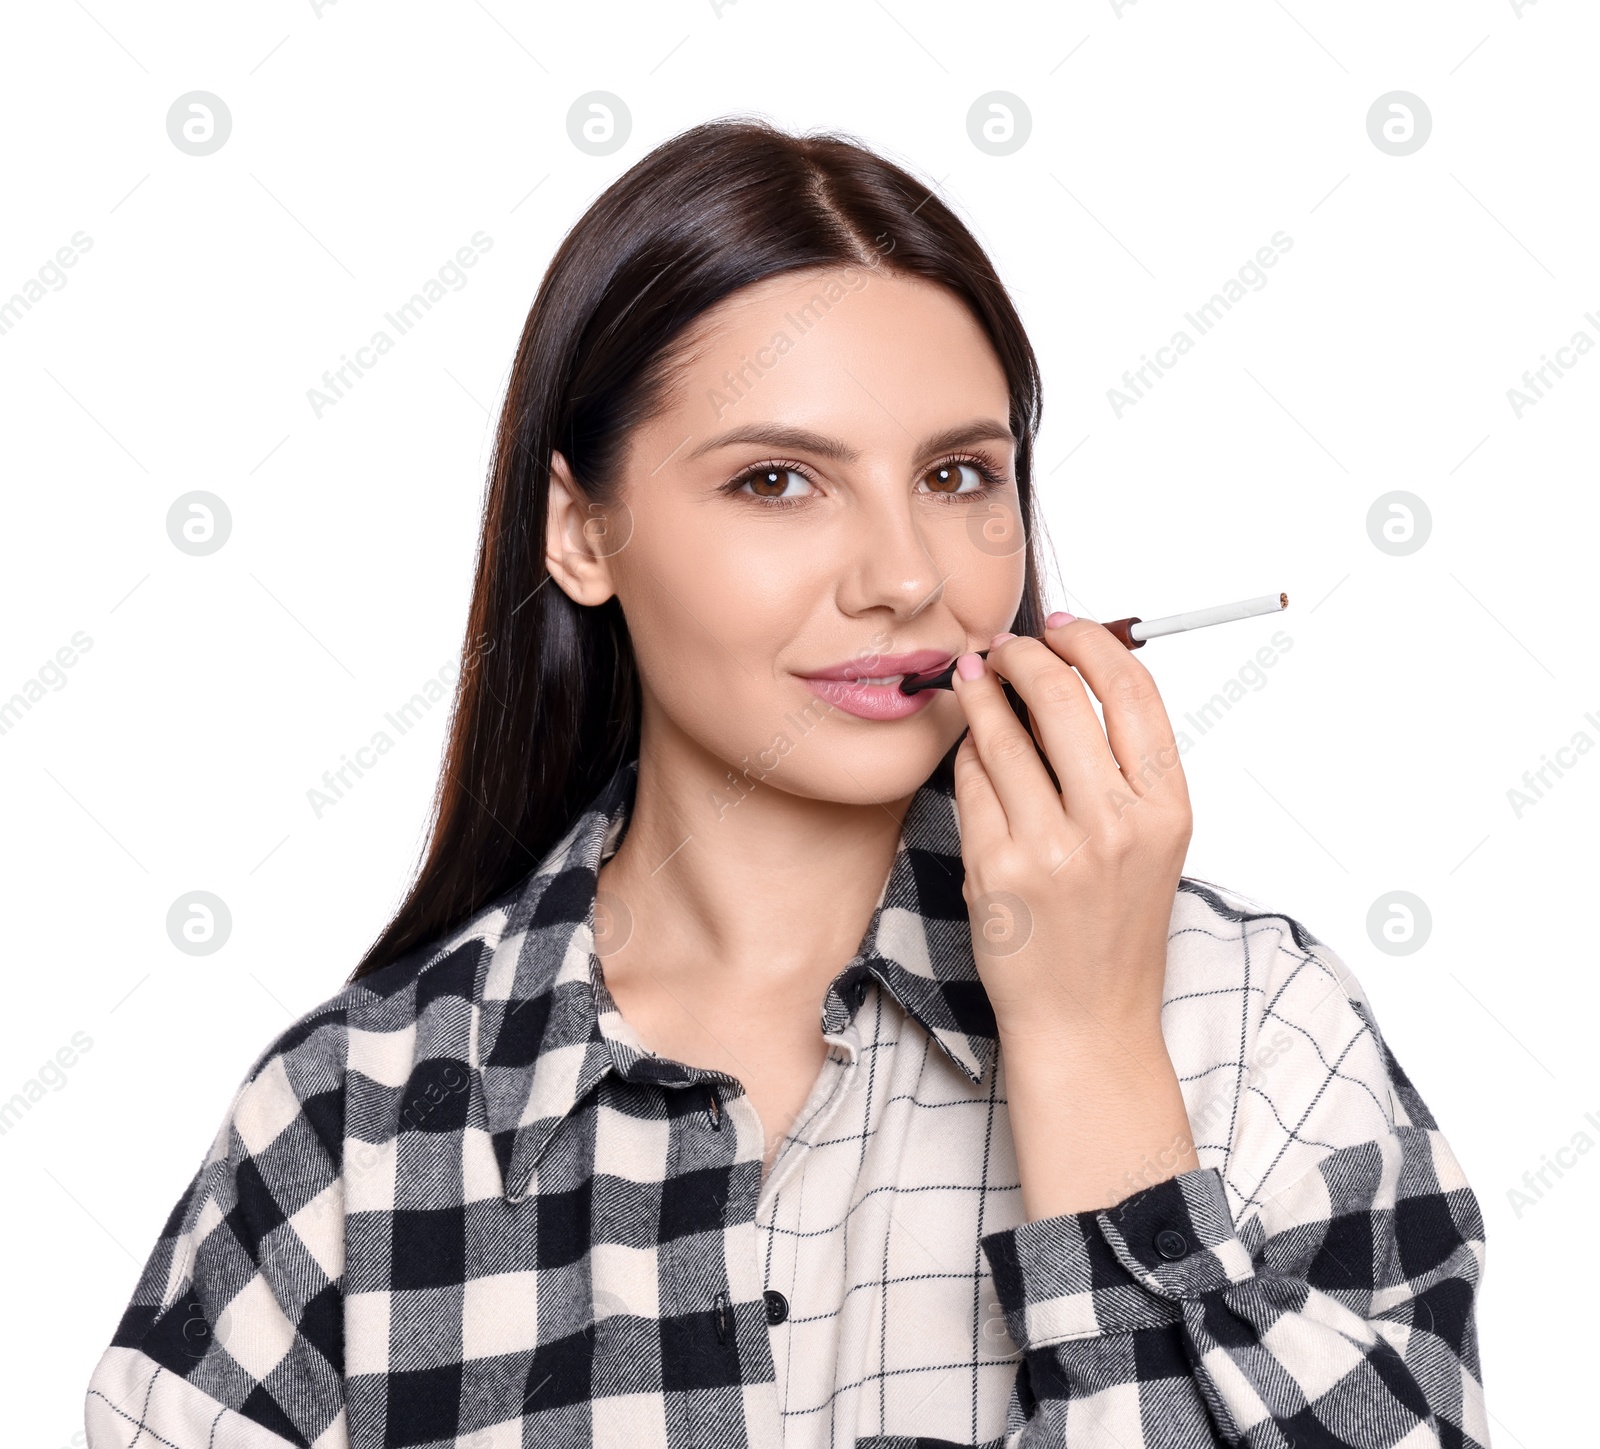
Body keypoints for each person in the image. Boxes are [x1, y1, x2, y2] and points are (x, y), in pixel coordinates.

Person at [84, 119, 1488, 1449]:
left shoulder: (1261, 1038)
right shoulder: (347, 1127)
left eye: (958, 474)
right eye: (776, 481)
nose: (906, 577)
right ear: (582, 530)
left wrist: (1086, 1046)